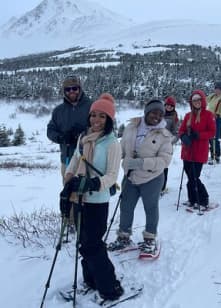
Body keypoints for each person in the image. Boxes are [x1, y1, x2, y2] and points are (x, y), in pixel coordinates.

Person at [60, 93, 124, 301]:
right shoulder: (83, 137)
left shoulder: (112, 143)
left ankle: (110, 287)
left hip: (97, 201)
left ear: (109, 120)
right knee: (83, 242)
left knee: (93, 245)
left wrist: (93, 183)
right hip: (78, 198)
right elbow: (75, 160)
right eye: (93, 115)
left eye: (102, 116)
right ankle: (91, 280)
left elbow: (113, 175)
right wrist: (69, 180)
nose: (95, 120)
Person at [108, 99, 173, 253]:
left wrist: (140, 163)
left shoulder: (164, 135)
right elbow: (121, 149)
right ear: (146, 112)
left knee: (150, 208)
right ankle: (124, 237)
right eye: (153, 112)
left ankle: (150, 239)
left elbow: (165, 161)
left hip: (152, 178)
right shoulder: (131, 127)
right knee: (126, 207)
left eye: (160, 114)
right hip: (130, 176)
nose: (156, 116)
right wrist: (113, 160)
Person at [47, 75, 92, 229]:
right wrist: (61, 137)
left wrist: (84, 133)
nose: (72, 91)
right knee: (69, 189)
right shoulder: (59, 111)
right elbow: (50, 130)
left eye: (75, 88)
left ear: (80, 89)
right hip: (66, 158)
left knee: (86, 189)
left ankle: (86, 220)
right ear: (64, 91)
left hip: (87, 158)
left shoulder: (91, 106)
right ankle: (71, 220)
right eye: (68, 89)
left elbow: (104, 126)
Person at [178, 89, 216, 208]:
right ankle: (192, 199)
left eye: (198, 99)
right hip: (187, 151)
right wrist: (183, 136)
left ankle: (203, 199)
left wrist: (198, 135)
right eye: (194, 100)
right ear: (191, 102)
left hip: (199, 151)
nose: (197, 102)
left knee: (194, 176)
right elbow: (181, 130)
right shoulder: (188, 116)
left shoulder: (208, 115)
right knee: (190, 176)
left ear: (203, 100)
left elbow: (212, 132)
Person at [207, 81, 221, 164]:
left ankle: (216, 156)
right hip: (209, 119)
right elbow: (205, 100)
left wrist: (218, 115)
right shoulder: (213, 96)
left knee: (215, 137)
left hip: (217, 119)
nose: (216, 90)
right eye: (215, 88)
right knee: (210, 137)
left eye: (218, 89)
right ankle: (213, 154)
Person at [161, 96, 179, 194]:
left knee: (163, 166)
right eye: (167, 105)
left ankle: (162, 188)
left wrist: (170, 141)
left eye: (171, 106)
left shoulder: (174, 118)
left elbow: (177, 133)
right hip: (155, 145)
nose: (169, 107)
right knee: (154, 165)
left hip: (166, 146)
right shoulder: (159, 114)